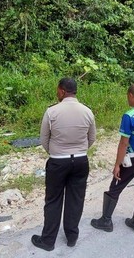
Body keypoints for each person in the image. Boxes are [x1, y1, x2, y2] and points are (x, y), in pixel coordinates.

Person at [31, 78, 96, 251]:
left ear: (61, 91)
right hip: (81, 160)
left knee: (53, 200)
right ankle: (72, 237)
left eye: (57, 90)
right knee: (76, 199)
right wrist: (81, 150)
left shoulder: (52, 112)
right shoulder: (87, 111)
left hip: (58, 161)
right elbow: (92, 138)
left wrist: (55, 152)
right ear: (75, 91)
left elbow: (44, 139)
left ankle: (48, 241)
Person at [91, 83, 134, 234]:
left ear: (131, 95)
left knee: (115, 186)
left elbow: (124, 142)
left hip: (133, 157)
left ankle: (106, 220)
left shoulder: (129, 116)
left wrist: (116, 165)